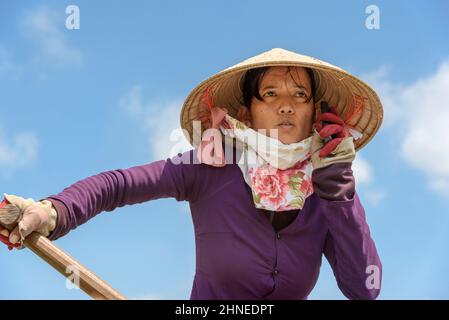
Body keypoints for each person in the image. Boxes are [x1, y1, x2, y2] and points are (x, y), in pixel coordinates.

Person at [0, 48, 383, 299]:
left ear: (316, 113)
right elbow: (116, 186)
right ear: (246, 112)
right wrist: (53, 212)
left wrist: (340, 195)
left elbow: (365, 288)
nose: (286, 106)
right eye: (270, 94)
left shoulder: (329, 192)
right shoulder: (210, 166)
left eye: (299, 95)